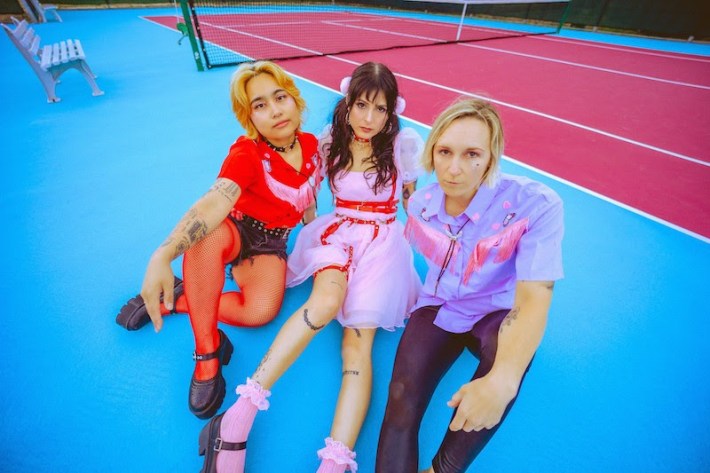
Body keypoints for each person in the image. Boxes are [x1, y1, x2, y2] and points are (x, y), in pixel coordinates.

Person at [197, 62, 423, 473]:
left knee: (356, 347)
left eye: (380, 109)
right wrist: (300, 221)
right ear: (348, 102)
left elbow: (414, 205)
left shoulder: (402, 147)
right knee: (324, 302)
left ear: (392, 112)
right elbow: (306, 189)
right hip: (337, 236)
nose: (369, 118)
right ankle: (239, 414)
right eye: (361, 105)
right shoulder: (329, 141)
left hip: (382, 247)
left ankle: (333, 464)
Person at [115, 61, 322, 420]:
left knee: (259, 313)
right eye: (260, 105)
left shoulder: (311, 145)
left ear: (295, 100)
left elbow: (307, 194)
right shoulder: (246, 153)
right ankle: (207, 352)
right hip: (235, 229)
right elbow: (214, 203)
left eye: (280, 98)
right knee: (205, 236)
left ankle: (176, 299)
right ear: (249, 117)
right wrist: (163, 254)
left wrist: (313, 226)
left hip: (270, 244)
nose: (275, 111)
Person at [376, 98, 564, 473]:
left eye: (472, 154)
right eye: (445, 152)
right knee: (400, 400)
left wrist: (503, 382)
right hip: (440, 306)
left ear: (491, 158)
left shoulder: (536, 205)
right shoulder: (421, 206)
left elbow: (534, 299)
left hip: (497, 311)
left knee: (508, 361)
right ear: (432, 152)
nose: (454, 168)